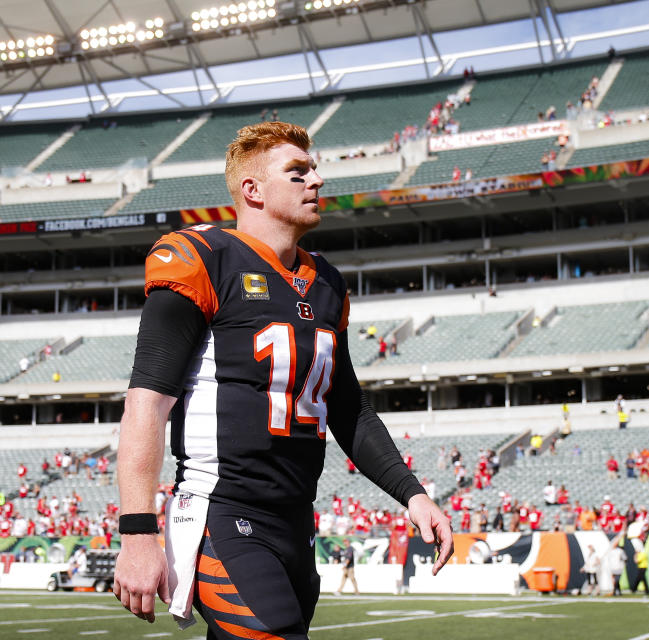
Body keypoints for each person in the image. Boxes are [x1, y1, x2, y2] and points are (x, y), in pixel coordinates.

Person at [111, 122, 452, 635]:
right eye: (297, 172)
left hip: (296, 521)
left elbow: (347, 407)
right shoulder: (202, 259)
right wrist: (137, 534)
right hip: (222, 514)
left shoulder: (327, 283)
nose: (316, 180)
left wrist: (413, 493)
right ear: (252, 190)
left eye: (313, 168)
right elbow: (146, 404)